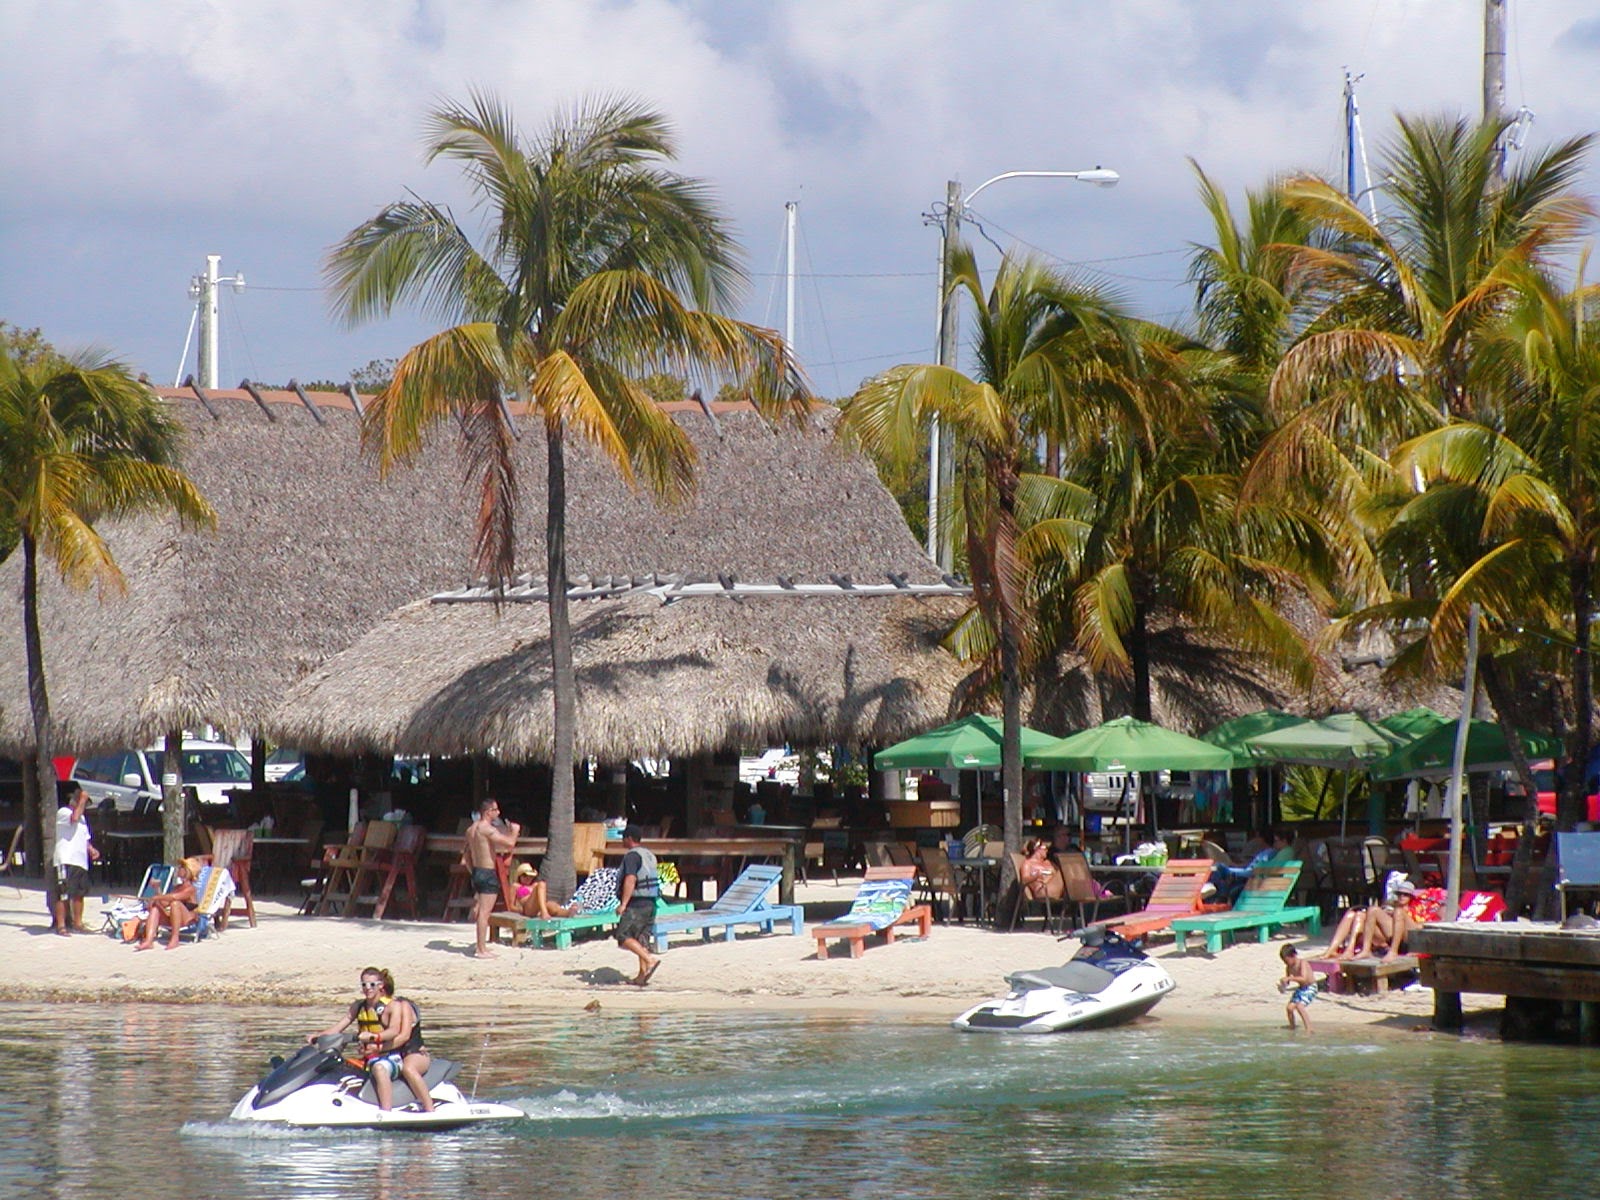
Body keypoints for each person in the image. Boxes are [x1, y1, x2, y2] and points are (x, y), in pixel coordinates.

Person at [310, 967, 434, 1112]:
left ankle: (400, 1111)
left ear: (381, 986)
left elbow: (398, 1033)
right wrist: (319, 1036)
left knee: (396, 1068)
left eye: (372, 985)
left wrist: (375, 1039)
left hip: (403, 1054)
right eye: (364, 985)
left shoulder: (396, 1006)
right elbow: (339, 1026)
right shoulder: (359, 1006)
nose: (367, 988)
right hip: (372, 1055)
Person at [463, 798, 520, 959]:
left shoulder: (471, 829)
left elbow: (466, 855)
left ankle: (481, 947)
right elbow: (509, 844)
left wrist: (473, 871)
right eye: (495, 810)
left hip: (477, 871)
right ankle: (481, 949)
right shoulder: (486, 829)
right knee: (484, 913)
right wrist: (514, 831)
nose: (498, 813)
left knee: (482, 910)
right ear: (488, 812)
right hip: (487, 872)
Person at [615, 825, 662, 986]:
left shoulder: (631, 856)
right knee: (641, 939)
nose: (622, 840)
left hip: (637, 903)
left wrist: (623, 904)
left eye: (623, 837)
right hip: (651, 903)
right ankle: (642, 976)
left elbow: (630, 879)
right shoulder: (649, 855)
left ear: (629, 839)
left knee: (623, 936)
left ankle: (650, 960)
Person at [51, 785, 100, 935]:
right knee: (63, 893)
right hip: (65, 858)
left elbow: (84, 837)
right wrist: (82, 800)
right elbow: (74, 818)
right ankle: (61, 925)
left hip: (80, 860)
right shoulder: (63, 812)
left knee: (79, 893)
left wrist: (91, 849)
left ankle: (78, 923)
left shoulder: (83, 818)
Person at [133, 857, 200, 950]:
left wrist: (158, 897)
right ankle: (148, 940)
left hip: (188, 919)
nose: (179, 869)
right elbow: (164, 903)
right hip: (174, 918)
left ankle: (175, 938)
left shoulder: (191, 889)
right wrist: (157, 889)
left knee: (175, 903)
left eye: (181, 867)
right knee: (156, 907)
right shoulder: (177, 887)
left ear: (187, 871)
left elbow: (174, 898)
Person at [513, 861, 577, 919]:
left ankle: (568, 912)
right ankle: (544, 912)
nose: (528, 878)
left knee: (552, 907)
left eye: (530, 876)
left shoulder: (534, 885)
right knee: (541, 884)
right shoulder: (516, 886)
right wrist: (519, 910)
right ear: (519, 876)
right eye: (525, 876)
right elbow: (511, 906)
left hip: (538, 908)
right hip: (527, 908)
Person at [1278, 943, 1316, 1032]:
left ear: (1293, 955)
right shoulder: (1288, 967)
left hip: (1310, 987)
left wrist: (1291, 978)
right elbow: (1287, 983)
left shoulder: (1302, 963)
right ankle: (1292, 1026)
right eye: (1284, 962)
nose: (1286, 963)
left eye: (1287, 961)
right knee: (1289, 1008)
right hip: (1301, 989)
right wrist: (1282, 986)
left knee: (1299, 1006)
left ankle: (1309, 1028)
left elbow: (1304, 978)